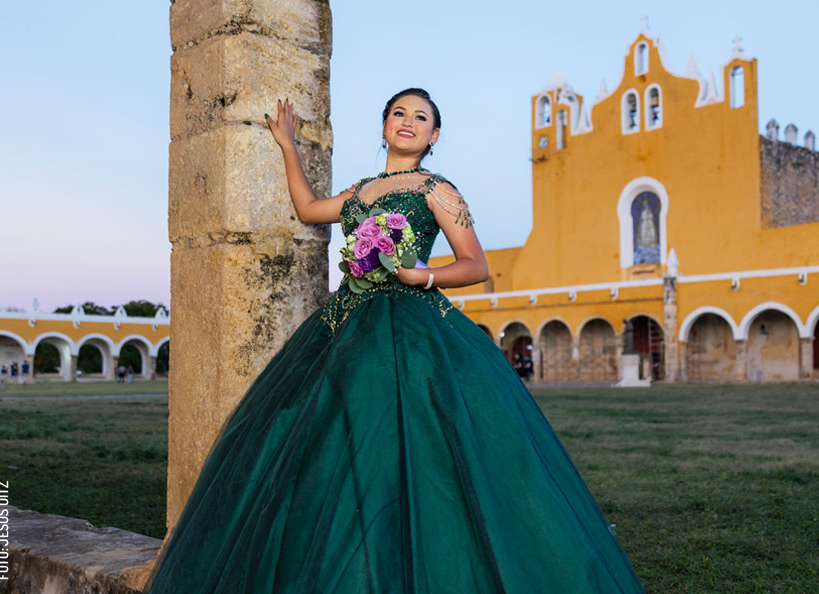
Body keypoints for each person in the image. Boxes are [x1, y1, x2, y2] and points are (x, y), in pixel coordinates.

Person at [145, 89, 644, 593]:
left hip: (408, 323)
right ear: (384, 125)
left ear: (434, 135)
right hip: (344, 322)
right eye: (399, 113)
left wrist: (421, 276)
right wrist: (288, 146)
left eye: (421, 117)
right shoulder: (361, 191)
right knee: (325, 436)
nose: (408, 122)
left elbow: (476, 264)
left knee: (403, 432)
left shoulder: (438, 190)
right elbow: (309, 208)